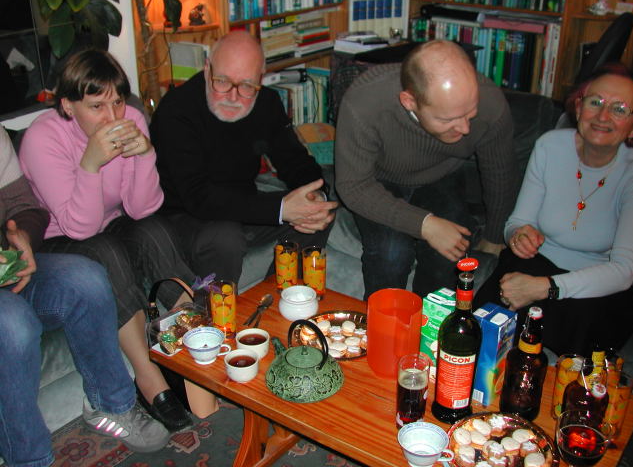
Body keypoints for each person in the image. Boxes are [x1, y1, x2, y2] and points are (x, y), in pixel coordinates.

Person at [19, 49, 194, 432]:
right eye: (97, 106)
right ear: (68, 105)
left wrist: (145, 155)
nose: (113, 117)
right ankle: (149, 379)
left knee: (156, 231)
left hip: (110, 221)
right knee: (105, 251)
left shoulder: (131, 119)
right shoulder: (42, 138)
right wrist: (90, 163)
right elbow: (79, 227)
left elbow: (142, 208)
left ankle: (196, 347)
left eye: (117, 102)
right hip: (59, 237)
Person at [0, 125, 170, 467]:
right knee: (14, 326)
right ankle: (28, 460)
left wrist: (23, 239)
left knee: (86, 279)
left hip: (7, 264)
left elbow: (24, 206)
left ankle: (111, 405)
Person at [474, 63, 633, 356]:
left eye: (620, 109)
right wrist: (519, 235)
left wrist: (546, 287)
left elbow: (625, 271)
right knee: (478, 331)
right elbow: (517, 222)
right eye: (595, 102)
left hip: (594, 284)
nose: (603, 116)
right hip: (536, 264)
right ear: (579, 107)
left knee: (575, 345)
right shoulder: (549, 146)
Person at [335, 40, 518, 299]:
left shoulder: (491, 103)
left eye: (470, 113)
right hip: (377, 180)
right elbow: (353, 186)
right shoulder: (365, 101)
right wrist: (425, 225)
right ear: (409, 101)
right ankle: (384, 321)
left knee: (450, 252)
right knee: (391, 253)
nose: (465, 128)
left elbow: (500, 172)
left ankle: (433, 322)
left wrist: (495, 235)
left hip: (441, 175)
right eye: (448, 119)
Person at [150, 31, 336, 284]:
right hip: (184, 215)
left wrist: (315, 196)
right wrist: (281, 209)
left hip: (240, 206)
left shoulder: (267, 102)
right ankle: (214, 308)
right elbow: (198, 197)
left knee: (318, 212)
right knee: (225, 237)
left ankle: (282, 294)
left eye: (247, 86)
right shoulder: (176, 110)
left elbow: (295, 160)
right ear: (207, 69)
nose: (233, 96)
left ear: (261, 79)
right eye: (222, 81)